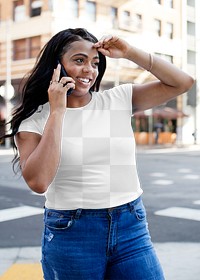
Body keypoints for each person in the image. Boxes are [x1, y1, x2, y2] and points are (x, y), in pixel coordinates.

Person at [0, 28, 194, 280]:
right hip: (72, 232)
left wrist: (130, 52)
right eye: (79, 60)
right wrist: (58, 112)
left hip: (130, 226)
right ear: (57, 65)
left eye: (95, 63)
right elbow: (38, 182)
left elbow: (183, 82)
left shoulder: (118, 99)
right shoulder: (35, 120)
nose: (89, 70)